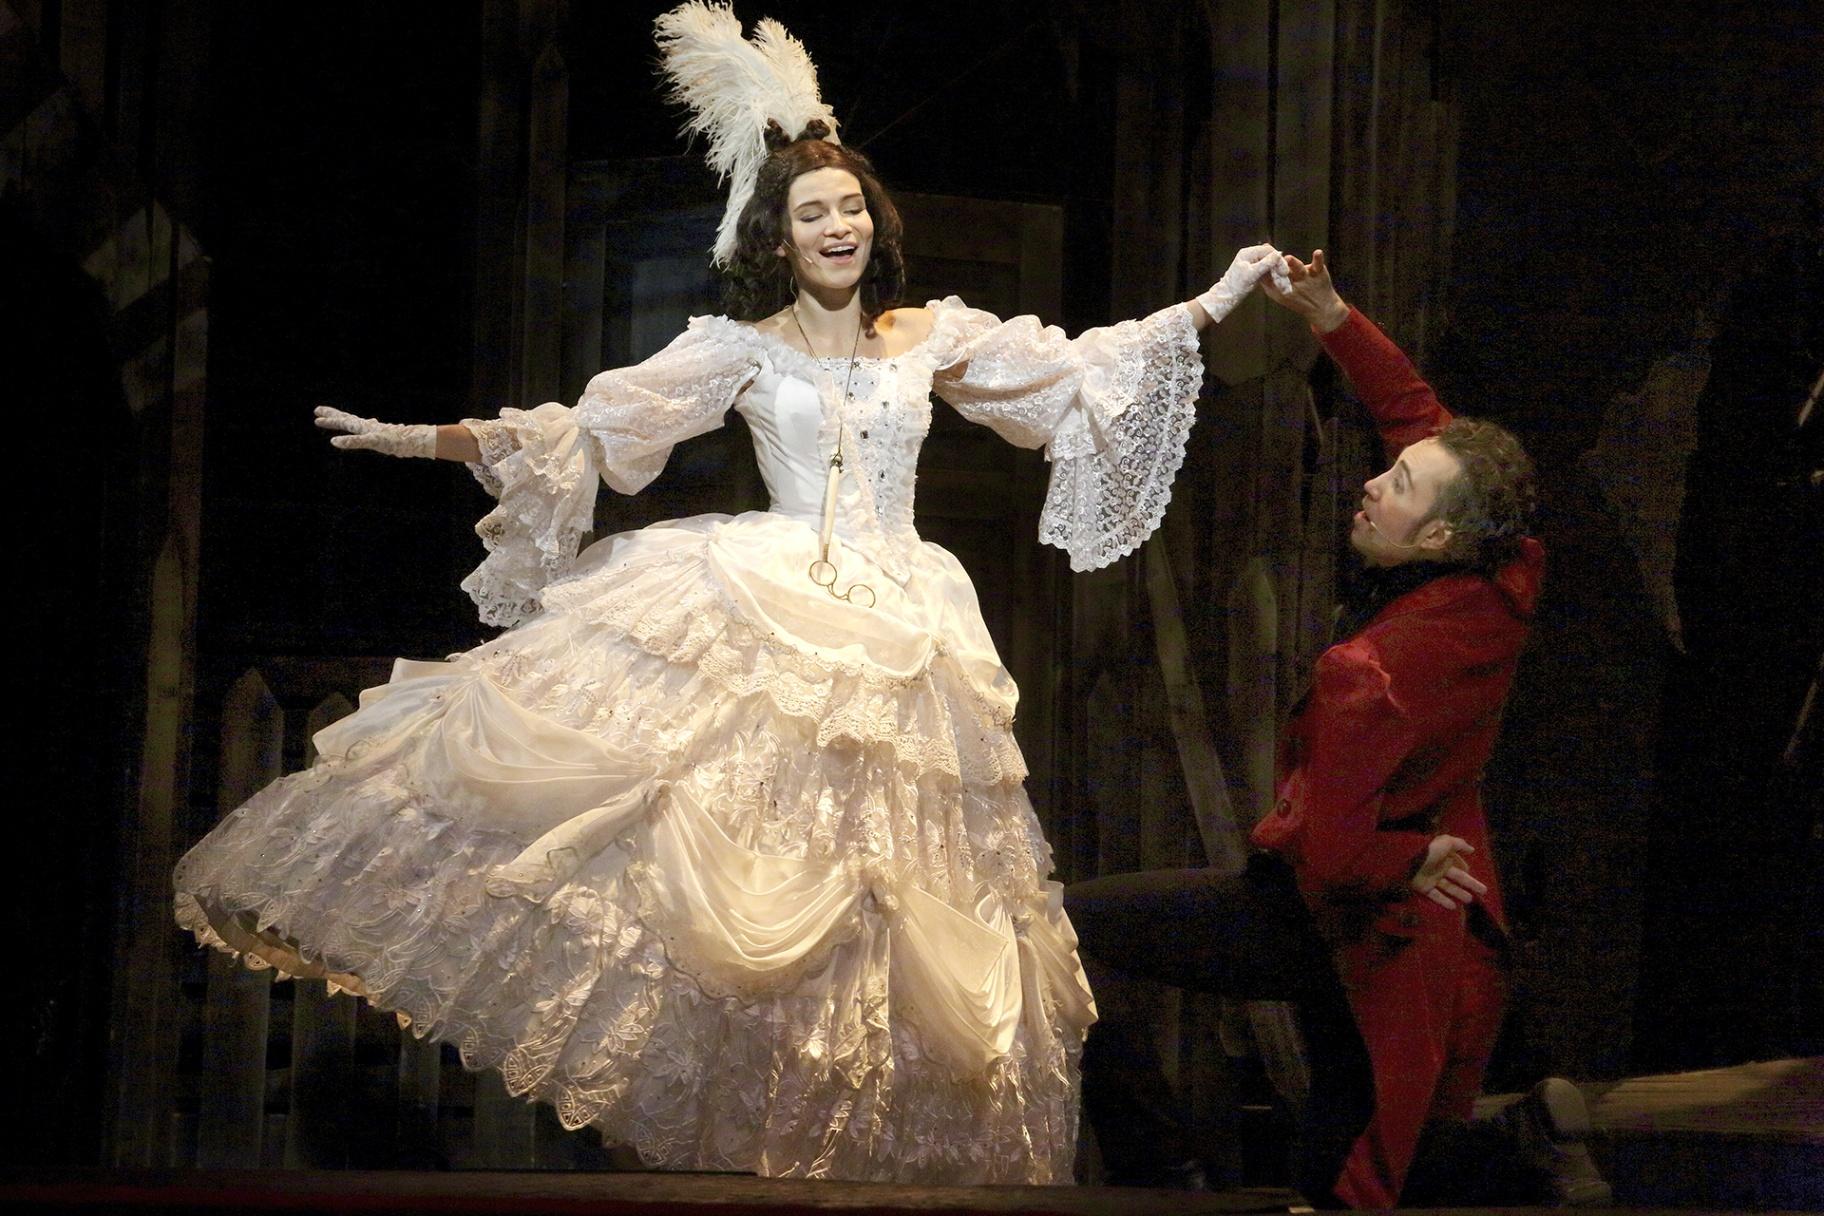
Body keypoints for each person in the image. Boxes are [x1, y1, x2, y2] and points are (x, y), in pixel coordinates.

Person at [172, 1, 1283, 1185]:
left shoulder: (926, 335)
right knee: (732, 857)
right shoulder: (740, 346)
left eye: (851, 207)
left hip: (906, 625)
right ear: (779, 237)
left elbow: (1077, 369)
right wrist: (421, 439)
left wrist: (1214, 299)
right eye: (814, 213)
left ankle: (846, 1145)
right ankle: (732, 1124)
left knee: (886, 891)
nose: (839, 226)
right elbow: (594, 427)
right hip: (770, 595)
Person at [1069, 249, 1609, 1207]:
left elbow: (1330, 852)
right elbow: (1417, 416)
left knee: (1060, 929)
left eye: (1397, 486)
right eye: (1391, 471)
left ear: (1437, 537)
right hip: (1401, 920)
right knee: (1353, 1156)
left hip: (1331, 910)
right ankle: (1519, 1146)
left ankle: (1163, 1166)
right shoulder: (1507, 576)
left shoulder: (1370, 675)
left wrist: (1402, 858)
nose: (1372, 483)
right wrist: (1331, 316)